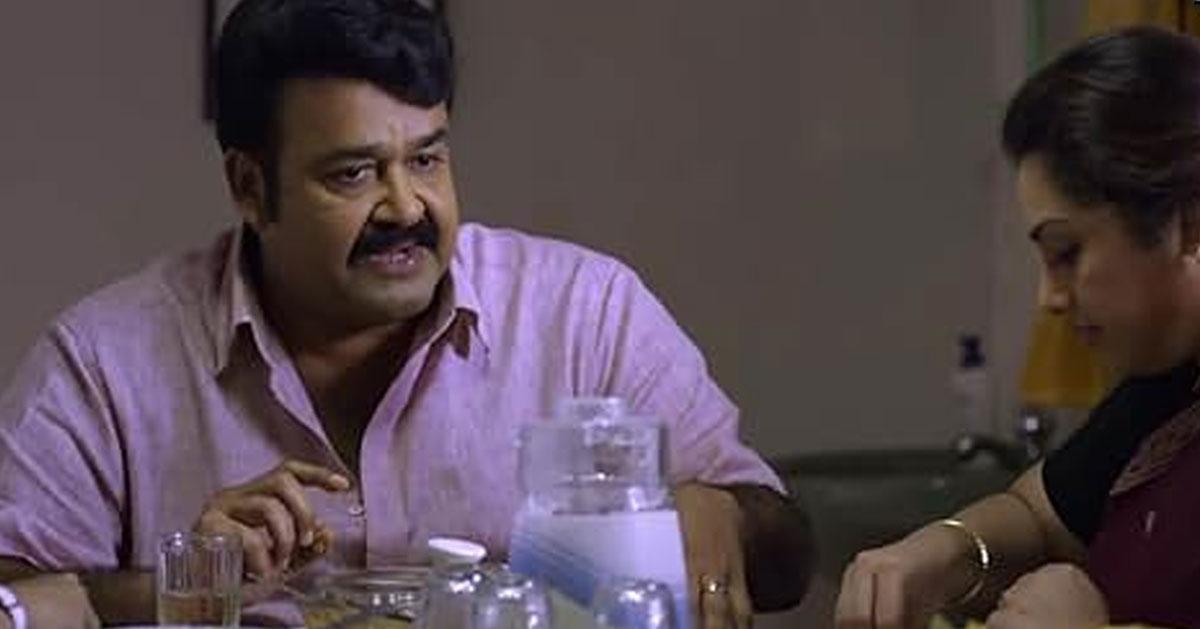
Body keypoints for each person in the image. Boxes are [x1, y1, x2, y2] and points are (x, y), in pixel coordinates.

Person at [0, 0, 812, 626]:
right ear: (250, 187)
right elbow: (14, 596)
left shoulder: (585, 311)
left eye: (427, 158)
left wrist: (721, 514)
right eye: (353, 174)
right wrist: (193, 579)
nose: (406, 207)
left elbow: (786, 551)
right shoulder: (106, 361)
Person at [836, 26, 1200, 629]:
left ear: (1186, 224)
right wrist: (948, 549)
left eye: (1067, 253)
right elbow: (1038, 516)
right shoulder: (1168, 388)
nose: (1050, 299)